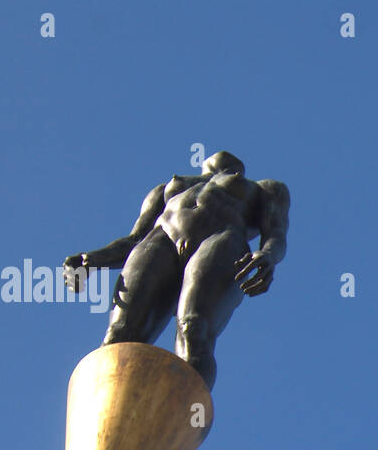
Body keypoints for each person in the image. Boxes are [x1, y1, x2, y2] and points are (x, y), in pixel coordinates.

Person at [64, 151, 289, 390]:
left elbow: (275, 234)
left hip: (222, 238)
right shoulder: (167, 187)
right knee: (118, 334)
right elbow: (134, 239)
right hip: (163, 237)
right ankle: (106, 415)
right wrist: (90, 260)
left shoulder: (265, 188)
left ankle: (180, 419)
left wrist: (267, 256)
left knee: (193, 328)